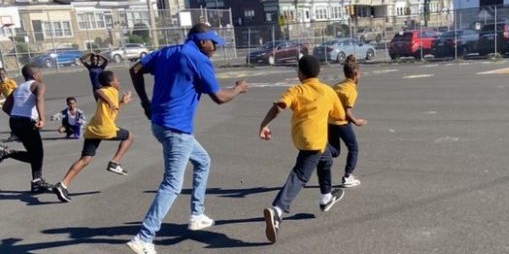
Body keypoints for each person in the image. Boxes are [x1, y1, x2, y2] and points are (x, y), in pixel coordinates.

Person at [126, 23, 248, 254]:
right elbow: (220, 98)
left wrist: (145, 101)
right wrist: (239, 89)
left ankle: (197, 214)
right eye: (213, 43)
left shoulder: (167, 51)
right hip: (176, 130)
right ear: (202, 41)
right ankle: (144, 237)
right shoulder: (199, 59)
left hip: (160, 124)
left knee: (203, 160)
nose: (215, 47)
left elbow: (135, 69)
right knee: (172, 184)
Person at [259, 55, 346, 244]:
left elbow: (279, 107)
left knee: (326, 159)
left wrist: (264, 125)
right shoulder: (327, 91)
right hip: (313, 142)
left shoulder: (296, 90)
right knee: (299, 175)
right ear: (319, 72)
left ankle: (326, 196)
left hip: (302, 138)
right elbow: (339, 116)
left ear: (300, 73)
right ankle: (278, 210)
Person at [54, 71, 133, 203]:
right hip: (105, 129)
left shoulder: (112, 93)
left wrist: (122, 102)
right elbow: (98, 92)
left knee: (85, 159)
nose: (119, 82)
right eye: (117, 80)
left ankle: (62, 185)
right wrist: (110, 101)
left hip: (93, 129)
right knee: (129, 137)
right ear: (111, 82)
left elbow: (112, 110)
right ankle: (114, 162)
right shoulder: (110, 90)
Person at [0, 65, 54, 194]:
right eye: (40, 72)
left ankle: (37, 181)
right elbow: (39, 99)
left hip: (14, 121)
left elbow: (6, 107)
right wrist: (42, 119)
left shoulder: (18, 88)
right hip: (26, 122)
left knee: (34, 154)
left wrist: (17, 115)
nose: (42, 75)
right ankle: (8, 153)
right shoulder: (38, 85)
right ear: (35, 75)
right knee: (37, 154)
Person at [328, 55, 367, 188]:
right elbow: (347, 113)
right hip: (341, 122)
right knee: (353, 148)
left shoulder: (337, 86)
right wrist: (357, 122)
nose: (360, 76)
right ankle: (347, 176)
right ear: (355, 73)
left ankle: (318, 152)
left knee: (334, 151)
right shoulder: (351, 90)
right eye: (360, 73)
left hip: (330, 122)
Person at [0, 68, 19, 142]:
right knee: (15, 118)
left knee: (14, 118)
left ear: (5, 74)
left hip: (15, 102)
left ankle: (15, 134)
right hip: (9, 103)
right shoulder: (1, 84)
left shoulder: (11, 81)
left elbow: (17, 91)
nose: (1, 75)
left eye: (2, 73)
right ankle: (16, 133)